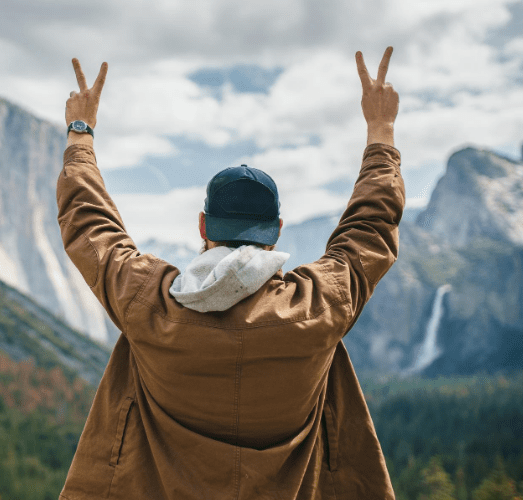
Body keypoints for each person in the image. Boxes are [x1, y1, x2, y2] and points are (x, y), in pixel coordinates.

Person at [57, 47, 403, 499]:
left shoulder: (148, 302)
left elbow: (89, 225)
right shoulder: (318, 307)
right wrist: (381, 129)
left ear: (202, 226)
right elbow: (371, 228)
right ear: (276, 233)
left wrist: (80, 133)